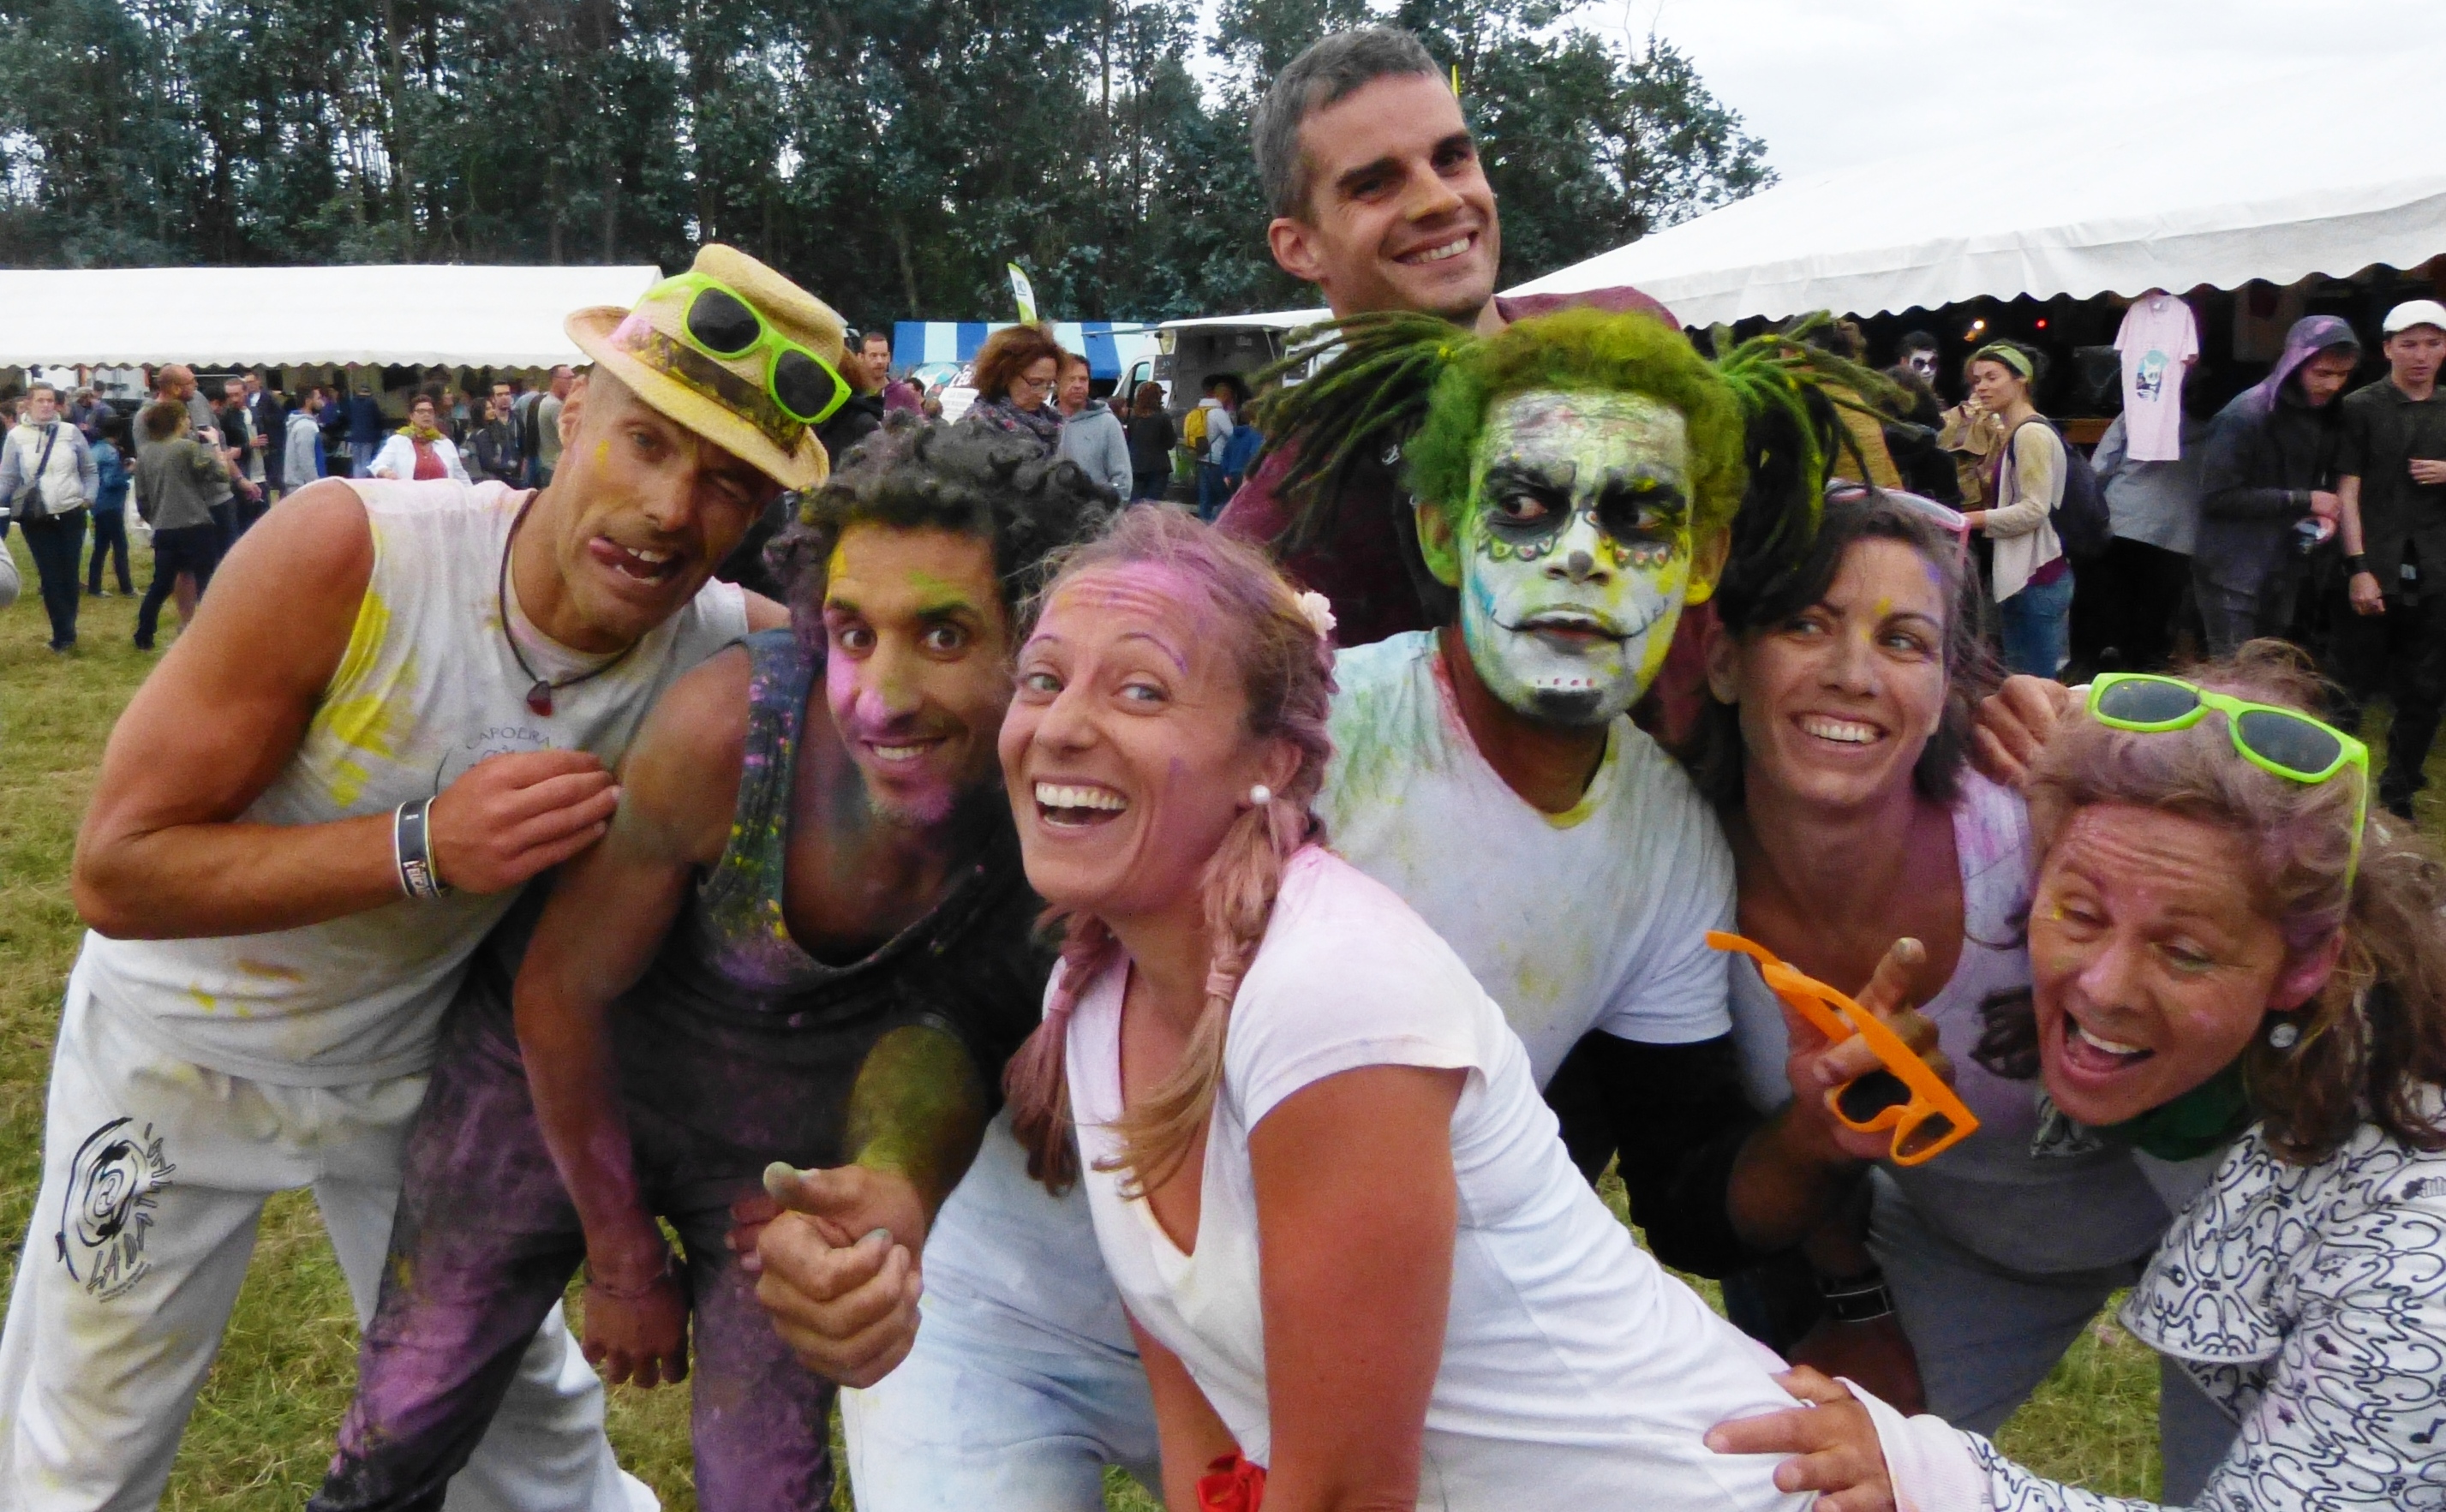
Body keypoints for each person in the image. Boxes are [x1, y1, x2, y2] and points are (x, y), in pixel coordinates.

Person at [822, 306, 1924, 1509]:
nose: (1579, 556)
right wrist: (894, 1181)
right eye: (1525, 506)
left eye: (1636, 517)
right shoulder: (1266, 723)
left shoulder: (1659, 845)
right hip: (1035, 1297)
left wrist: (1812, 1140)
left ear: (1701, 558)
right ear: (1441, 529)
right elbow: (984, 978)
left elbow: (1681, 1196)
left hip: (1323, 1345)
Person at [0, 243, 835, 1512]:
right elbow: (118, 871)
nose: (673, 510)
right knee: (86, 1449)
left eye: (727, 483)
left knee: (530, 1436)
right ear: (572, 411)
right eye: (648, 443)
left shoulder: (722, 654)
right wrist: (422, 846)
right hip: (176, 1056)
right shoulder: (355, 552)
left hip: (415, 1075)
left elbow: (907, 698)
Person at [308, 415, 1113, 1512]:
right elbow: (562, 992)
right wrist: (621, 1251)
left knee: (766, 1485)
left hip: (771, 1158)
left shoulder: (1059, 807)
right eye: (852, 631)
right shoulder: (733, 731)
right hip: (546, 1090)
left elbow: (955, 1025)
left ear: (1038, 637)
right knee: (408, 1415)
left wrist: (887, 1183)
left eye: (943, 634)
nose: (881, 696)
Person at [994, 504, 1833, 1509]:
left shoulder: (1329, 989)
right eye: (1041, 679)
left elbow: (1348, 1497)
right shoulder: (1091, 992)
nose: (1061, 726)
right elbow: (1209, 1443)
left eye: (1140, 689)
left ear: (1268, 763)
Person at [1711, 644, 2446, 1512]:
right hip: (2025, 1245)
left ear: (2306, 964)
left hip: (2299, 1289)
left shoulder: (2411, 1233)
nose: (2101, 986)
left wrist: (1934, 1480)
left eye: (2184, 951)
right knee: (1787, 1482)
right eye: (2079, 912)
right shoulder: (2123, 833)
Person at [1700, 487, 2240, 1497]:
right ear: (1723, 659)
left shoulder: (2033, 804)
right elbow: (1762, 1151)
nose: (1852, 673)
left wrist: (2098, 740)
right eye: (1804, 623)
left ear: (1948, 682)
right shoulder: (1678, 890)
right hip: (1974, 1254)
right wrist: (1856, 1301)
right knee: (1793, 1484)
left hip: (2221, 1225)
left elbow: (2271, 848)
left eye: (1902, 640)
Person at [1214, 27, 1675, 648]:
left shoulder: (1630, 338)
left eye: (1451, 158)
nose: (1438, 199)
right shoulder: (1275, 542)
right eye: (1374, 184)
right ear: (1299, 246)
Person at [2335, 298, 2446, 820]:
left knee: (2425, 691)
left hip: (2436, 570)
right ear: (2387, 349)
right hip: (2375, 563)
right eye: (2409, 344)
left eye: (2432, 344)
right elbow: (2347, 489)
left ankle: (2399, 792)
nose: (2421, 355)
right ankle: (2329, 791)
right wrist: (2358, 567)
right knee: (2349, 688)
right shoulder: (2361, 407)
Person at [2192, 315, 2359, 656]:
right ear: (2296, 363)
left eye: (2342, 375)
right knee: (2237, 674)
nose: (2332, 385)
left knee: (2273, 672)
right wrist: (2304, 500)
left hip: (2285, 567)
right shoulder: (2245, 414)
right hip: (2232, 572)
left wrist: (2319, 514)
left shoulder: (2324, 414)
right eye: (2322, 373)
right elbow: (2216, 497)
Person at [2081, 379, 2215, 672]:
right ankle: (2144, 667)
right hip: (2178, 532)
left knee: (2115, 598)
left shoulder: (2136, 414)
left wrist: (2090, 510)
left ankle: (2109, 657)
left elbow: (2100, 467)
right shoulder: (2217, 428)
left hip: (2124, 519)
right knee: (2157, 608)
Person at [1959, 343, 2072, 678]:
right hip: (2028, 575)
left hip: (2036, 575)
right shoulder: (2014, 431)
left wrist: (1969, 519)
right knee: (2022, 681)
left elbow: (2034, 510)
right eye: (1977, 380)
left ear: (2021, 379)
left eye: (1992, 377)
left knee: (2033, 686)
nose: (1981, 387)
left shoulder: (2031, 433)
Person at [0, 379, 99, 651]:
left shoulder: (70, 432)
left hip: (71, 511)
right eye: (40, 400)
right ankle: (62, 634)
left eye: (50, 400)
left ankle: (69, 628)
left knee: (69, 573)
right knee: (50, 575)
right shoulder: (17, 437)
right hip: (37, 516)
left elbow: (89, 470)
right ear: (28, 404)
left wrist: (88, 498)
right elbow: (8, 478)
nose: (46, 405)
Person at [129, 398, 234, 651]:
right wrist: (215, 445)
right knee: (207, 579)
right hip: (196, 524)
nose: (189, 421)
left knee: (161, 584)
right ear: (177, 422)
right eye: (186, 417)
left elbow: (142, 498)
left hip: (165, 528)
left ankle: (144, 634)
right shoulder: (187, 448)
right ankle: (211, 631)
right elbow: (220, 475)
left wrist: (156, 519)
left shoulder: (146, 453)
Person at [959, 323, 1065, 453]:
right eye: (1036, 383)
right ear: (1006, 376)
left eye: (1049, 385)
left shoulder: (1056, 421)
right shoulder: (976, 426)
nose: (1044, 395)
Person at [1055, 350, 1131, 497]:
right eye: (1071, 379)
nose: (1078, 385)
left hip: (1096, 510)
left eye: (1083, 379)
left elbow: (1123, 480)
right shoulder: (1045, 422)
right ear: (1057, 382)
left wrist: (1102, 507)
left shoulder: (1107, 423)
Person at [370, 390, 475, 484]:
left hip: (441, 498)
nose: (426, 415)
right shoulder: (398, 441)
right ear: (412, 416)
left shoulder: (445, 443)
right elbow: (377, 465)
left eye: (430, 411)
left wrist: (471, 495)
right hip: (410, 497)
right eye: (421, 411)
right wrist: (387, 473)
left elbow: (461, 476)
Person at [85, 409, 133, 597]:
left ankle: (94, 585)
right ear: (119, 433)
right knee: (120, 546)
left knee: (100, 547)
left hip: (97, 504)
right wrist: (128, 472)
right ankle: (126, 586)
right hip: (111, 504)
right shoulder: (111, 453)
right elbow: (111, 481)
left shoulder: (95, 449)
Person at [1190, 374, 1239, 519]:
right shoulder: (1218, 413)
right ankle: (1217, 528)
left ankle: (1203, 527)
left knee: (1205, 500)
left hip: (1202, 458)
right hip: (1216, 460)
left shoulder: (1200, 411)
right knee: (1224, 499)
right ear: (1225, 395)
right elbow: (1232, 434)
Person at [1124, 381, 1175, 501]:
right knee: (1152, 505)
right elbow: (1170, 443)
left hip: (1135, 465)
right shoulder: (1163, 418)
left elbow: (1130, 439)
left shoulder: (1133, 417)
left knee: (1135, 504)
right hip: (1158, 467)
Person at [534, 364, 575, 487]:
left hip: (549, 464)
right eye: (568, 378)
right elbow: (572, 437)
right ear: (555, 380)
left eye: (573, 377)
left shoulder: (548, 400)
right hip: (554, 467)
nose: (572, 382)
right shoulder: (554, 405)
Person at [287, 384, 331, 490]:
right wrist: (315, 485)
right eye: (318, 398)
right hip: (305, 487)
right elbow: (306, 460)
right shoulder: (306, 426)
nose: (322, 403)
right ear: (308, 402)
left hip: (304, 485)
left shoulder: (303, 424)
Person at [468, 395, 518, 484]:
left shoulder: (487, 430)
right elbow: (488, 462)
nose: (492, 411)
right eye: (487, 409)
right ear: (479, 413)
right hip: (489, 480)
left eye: (492, 408)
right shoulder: (482, 435)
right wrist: (508, 466)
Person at [345, 383, 386, 477]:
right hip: (368, 436)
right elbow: (377, 419)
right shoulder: (371, 403)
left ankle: (357, 479)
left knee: (356, 462)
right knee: (366, 460)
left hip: (355, 436)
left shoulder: (353, 402)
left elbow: (348, 417)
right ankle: (363, 480)